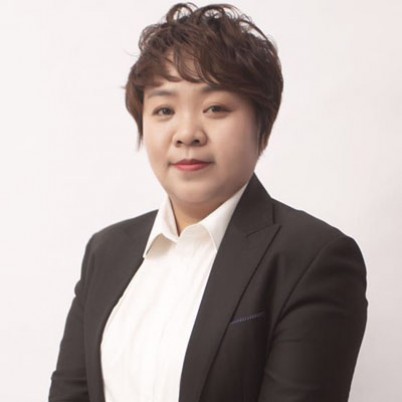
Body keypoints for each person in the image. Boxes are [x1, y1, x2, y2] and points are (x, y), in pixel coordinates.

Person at [49, 3, 367, 402]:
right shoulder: (107, 251)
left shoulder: (312, 259)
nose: (187, 133)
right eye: (164, 109)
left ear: (262, 126)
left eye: (215, 108)